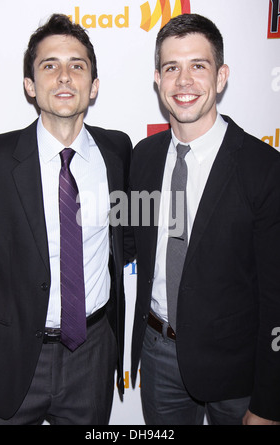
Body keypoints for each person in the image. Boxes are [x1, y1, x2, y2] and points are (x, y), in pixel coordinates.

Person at [0, 13, 132, 425]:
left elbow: (127, 240)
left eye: (77, 65)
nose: (64, 76)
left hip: (93, 351)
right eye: (50, 65)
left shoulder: (118, 151)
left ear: (94, 86)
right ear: (30, 85)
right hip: (9, 356)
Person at [130, 13, 280, 425]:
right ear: (158, 79)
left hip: (239, 370)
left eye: (198, 66)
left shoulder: (264, 168)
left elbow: (276, 298)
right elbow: (126, 241)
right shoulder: (143, 158)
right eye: (171, 68)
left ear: (221, 76)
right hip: (158, 357)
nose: (184, 81)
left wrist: (269, 402)